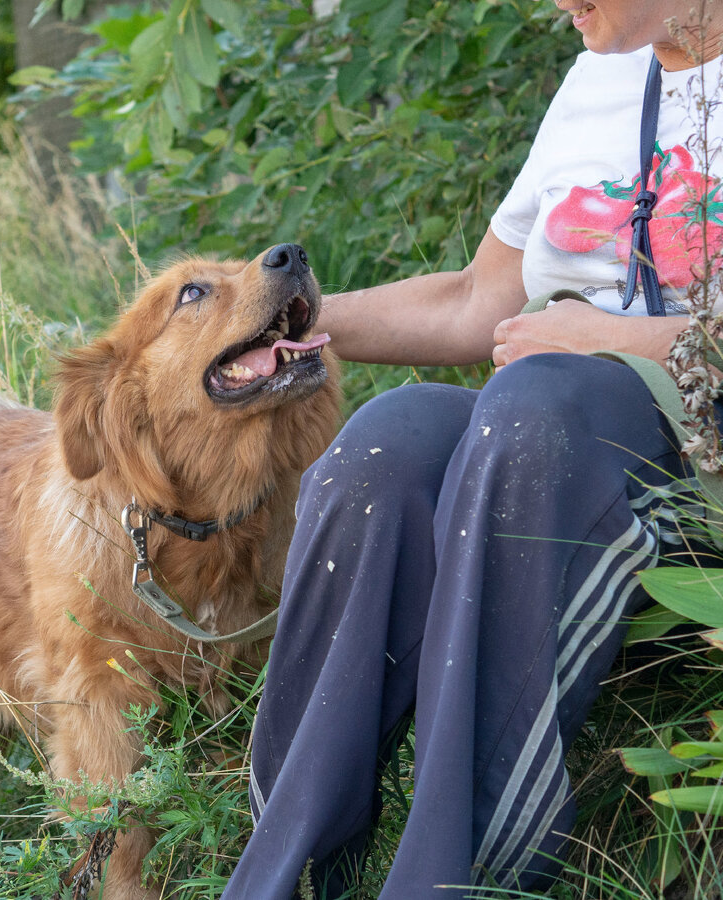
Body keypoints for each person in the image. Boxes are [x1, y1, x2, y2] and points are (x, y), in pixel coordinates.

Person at [221, 1, 723, 897]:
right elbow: (471, 301)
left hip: (693, 451)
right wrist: (281, 328)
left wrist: (616, 345)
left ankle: (460, 877)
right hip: (555, 420)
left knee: (535, 406)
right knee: (387, 445)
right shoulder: (598, 77)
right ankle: (284, 874)